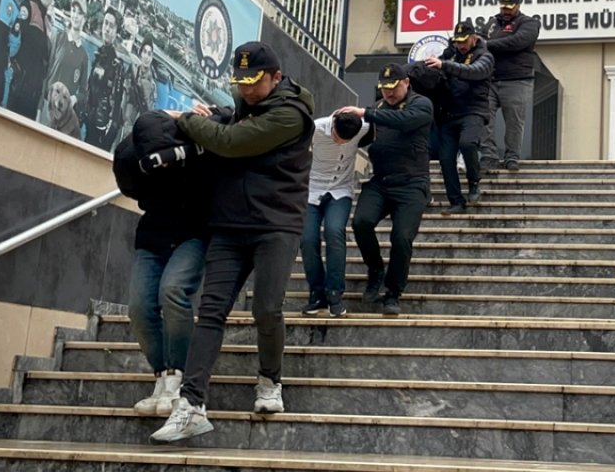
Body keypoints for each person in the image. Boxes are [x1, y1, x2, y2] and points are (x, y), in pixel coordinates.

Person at [151, 41, 315, 443]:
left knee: (266, 308)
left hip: (275, 224)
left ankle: (270, 381)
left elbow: (233, 142)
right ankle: (191, 405)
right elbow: (232, 121)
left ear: (276, 78)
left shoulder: (292, 114)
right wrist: (220, 114)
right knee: (209, 313)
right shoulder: (247, 105)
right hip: (229, 224)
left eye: (253, 83)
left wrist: (191, 120)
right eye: (239, 83)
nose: (245, 90)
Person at [112, 111, 212, 417]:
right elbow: (132, 188)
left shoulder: (193, 142)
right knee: (139, 308)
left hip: (193, 231)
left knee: (173, 291)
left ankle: (177, 379)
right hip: (153, 233)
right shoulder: (133, 154)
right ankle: (161, 378)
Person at [337, 63, 434, 316]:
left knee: (401, 238)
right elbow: (363, 135)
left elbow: (404, 121)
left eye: (393, 87)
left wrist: (366, 113)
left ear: (406, 83)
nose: (388, 93)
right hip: (381, 181)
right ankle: (375, 269)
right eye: (384, 88)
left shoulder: (421, 104)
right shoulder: (378, 109)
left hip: (412, 184)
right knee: (361, 222)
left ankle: (393, 292)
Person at [300, 111, 369, 317]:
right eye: (337, 137)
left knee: (334, 231)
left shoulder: (363, 127)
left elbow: (386, 118)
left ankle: (334, 293)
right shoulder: (317, 128)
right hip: (312, 191)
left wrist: (365, 112)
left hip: (340, 191)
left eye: (346, 140)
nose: (340, 142)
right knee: (307, 238)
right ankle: (317, 292)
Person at [425, 19, 494, 215]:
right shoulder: (451, 54)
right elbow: (435, 68)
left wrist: (445, 65)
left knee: (468, 144)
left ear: (474, 38)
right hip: (449, 114)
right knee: (446, 159)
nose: (461, 45)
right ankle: (455, 201)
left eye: (464, 41)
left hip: (474, 111)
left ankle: (474, 183)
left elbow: (474, 72)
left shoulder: (485, 56)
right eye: (457, 41)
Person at [480, 0, 540, 172]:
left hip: (517, 79)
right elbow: (479, 40)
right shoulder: (491, 23)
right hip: (490, 78)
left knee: (514, 121)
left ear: (518, 6)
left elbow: (517, 42)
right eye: (503, 7)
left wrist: (490, 44)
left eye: (510, 8)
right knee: (484, 117)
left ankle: (512, 156)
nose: (506, 11)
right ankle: (488, 155)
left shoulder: (529, 23)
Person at [6, 0, 56, 119]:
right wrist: (16, 69)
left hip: (34, 96)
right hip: (20, 89)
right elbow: (13, 38)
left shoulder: (48, 23)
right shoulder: (28, 7)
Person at [39, 0, 90, 128]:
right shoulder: (58, 37)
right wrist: (39, 109)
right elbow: (45, 73)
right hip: (47, 107)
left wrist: (74, 99)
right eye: (74, 11)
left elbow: (83, 92)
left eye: (80, 13)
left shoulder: (84, 55)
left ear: (84, 19)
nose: (76, 16)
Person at [81, 5, 127, 150]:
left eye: (111, 26)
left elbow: (117, 102)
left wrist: (108, 135)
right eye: (105, 23)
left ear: (116, 31)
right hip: (90, 122)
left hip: (102, 129)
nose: (106, 29)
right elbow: (91, 89)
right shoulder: (99, 54)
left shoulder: (117, 64)